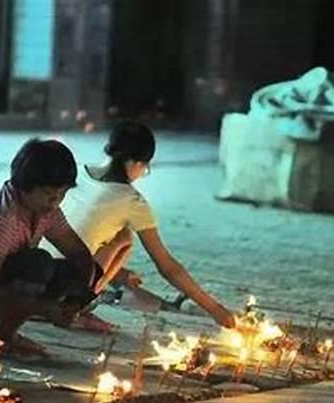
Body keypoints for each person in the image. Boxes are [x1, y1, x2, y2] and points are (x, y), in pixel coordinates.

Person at [58, 120, 236, 329]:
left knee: (111, 237)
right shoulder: (132, 201)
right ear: (136, 163)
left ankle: (82, 295)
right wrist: (214, 309)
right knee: (125, 238)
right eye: (145, 167)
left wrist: (120, 274)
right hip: (66, 288)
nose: (143, 173)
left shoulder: (78, 171)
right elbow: (167, 266)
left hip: (43, 274)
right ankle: (78, 305)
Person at [0, 139, 101, 356]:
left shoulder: (47, 211)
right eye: (48, 193)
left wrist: (77, 300)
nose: (55, 201)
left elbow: (79, 254)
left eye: (62, 194)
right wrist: (44, 308)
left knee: (75, 272)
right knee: (37, 264)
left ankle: (5, 332)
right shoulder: (0, 217)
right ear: (24, 187)